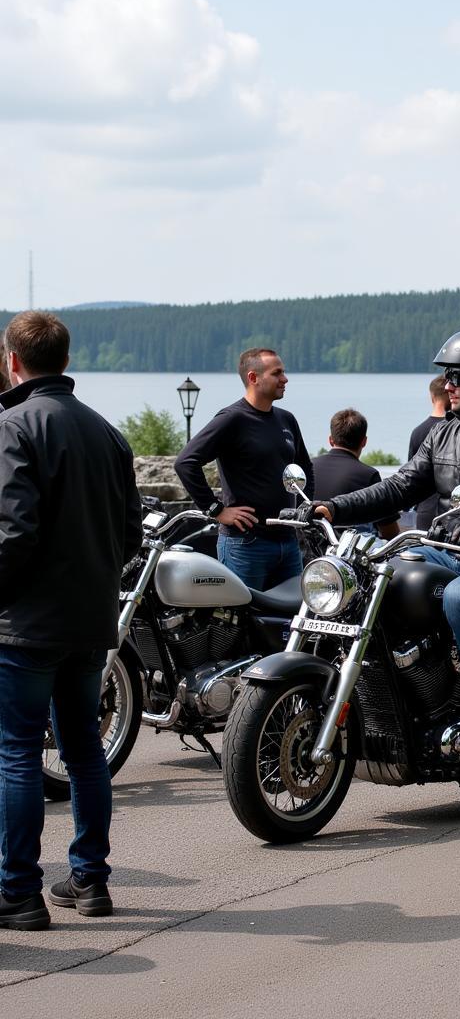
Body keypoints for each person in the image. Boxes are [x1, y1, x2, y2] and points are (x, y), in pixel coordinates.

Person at [304, 328, 460, 752]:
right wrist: (333, 508)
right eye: (447, 377)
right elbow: (399, 486)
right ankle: (397, 689)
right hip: (447, 550)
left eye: (458, 377)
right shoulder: (444, 433)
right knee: (374, 575)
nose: (448, 386)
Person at [0, 311, 143, 930]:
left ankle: (19, 892)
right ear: (64, 357)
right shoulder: (107, 432)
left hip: (27, 623)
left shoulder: (13, 426)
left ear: (12, 360)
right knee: (85, 753)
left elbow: (12, 535)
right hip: (90, 620)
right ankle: (90, 881)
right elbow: (132, 533)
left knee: (17, 754)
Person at [174, 347, 314, 591]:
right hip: (246, 545)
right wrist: (216, 510)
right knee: (241, 624)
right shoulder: (232, 419)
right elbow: (185, 462)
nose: (285, 379)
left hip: (289, 544)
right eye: (277, 373)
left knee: (290, 624)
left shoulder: (286, 419)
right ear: (253, 378)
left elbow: (305, 467)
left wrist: (306, 508)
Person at [312, 409, 401, 539]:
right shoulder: (369, 475)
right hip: (347, 553)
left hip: (309, 548)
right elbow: (390, 531)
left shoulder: (309, 467)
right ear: (364, 442)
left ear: (331, 440)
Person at [407, 375, 451, 529]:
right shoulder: (459, 429)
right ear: (451, 394)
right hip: (452, 510)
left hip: (424, 509)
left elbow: (411, 476)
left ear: (432, 396)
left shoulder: (418, 432)